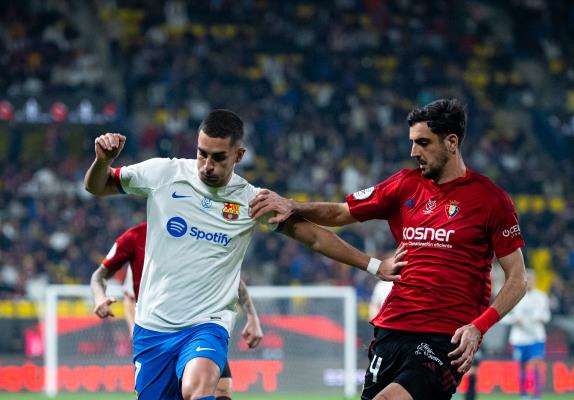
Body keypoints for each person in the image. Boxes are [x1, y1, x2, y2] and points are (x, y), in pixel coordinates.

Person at [84, 109, 403, 400]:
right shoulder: (162, 174)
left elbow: (316, 237)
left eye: (218, 158)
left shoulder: (252, 201)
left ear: (239, 155)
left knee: (198, 388)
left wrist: (374, 265)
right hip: (152, 326)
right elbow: (97, 187)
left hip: (206, 323)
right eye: (202, 154)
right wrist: (102, 162)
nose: (207, 166)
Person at [250, 98, 528, 400]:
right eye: (412, 143)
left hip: (445, 337)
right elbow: (341, 214)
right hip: (391, 330)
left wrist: (478, 327)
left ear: (451, 142)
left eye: (423, 143)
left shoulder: (490, 200)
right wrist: (293, 206)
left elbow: (518, 278)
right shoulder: (404, 185)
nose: (413, 152)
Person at [90, 222, 263, 400]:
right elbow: (111, 284)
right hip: (155, 333)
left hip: (201, 324)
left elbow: (228, 275)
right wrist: (100, 298)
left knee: (220, 390)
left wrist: (252, 316)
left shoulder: (196, 231)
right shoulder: (135, 239)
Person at [502, 269, 550, 400]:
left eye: (531, 279)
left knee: (535, 365)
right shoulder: (515, 296)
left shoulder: (541, 297)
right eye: (526, 278)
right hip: (519, 339)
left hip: (536, 337)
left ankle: (536, 396)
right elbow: (504, 317)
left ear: (534, 281)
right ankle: (523, 395)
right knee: (521, 367)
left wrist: (542, 318)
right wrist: (514, 320)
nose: (529, 282)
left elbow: (547, 315)